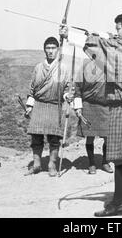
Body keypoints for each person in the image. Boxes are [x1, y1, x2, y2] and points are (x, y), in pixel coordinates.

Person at [68, 12, 122, 217]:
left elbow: (105, 49)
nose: (116, 33)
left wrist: (73, 36)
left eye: (119, 29)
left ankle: (117, 204)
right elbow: (106, 50)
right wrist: (85, 36)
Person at [24, 37, 71, 177]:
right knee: (36, 138)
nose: (50, 51)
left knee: (54, 139)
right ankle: (37, 164)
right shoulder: (38, 67)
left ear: (58, 49)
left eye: (53, 48)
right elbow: (32, 89)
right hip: (39, 104)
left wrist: (67, 96)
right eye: (48, 48)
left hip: (54, 105)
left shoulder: (63, 68)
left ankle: (52, 165)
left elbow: (67, 88)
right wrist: (29, 106)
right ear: (44, 49)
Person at [72, 54, 113, 175]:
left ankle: (105, 162)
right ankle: (91, 163)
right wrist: (78, 107)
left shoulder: (108, 67)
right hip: (88, 105)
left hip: (104, 106)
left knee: (107, 136)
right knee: (90, 137)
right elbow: (78, 87)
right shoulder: (85, 66)